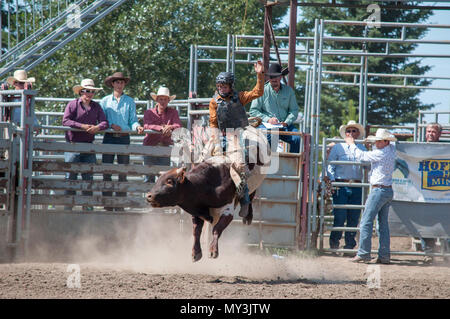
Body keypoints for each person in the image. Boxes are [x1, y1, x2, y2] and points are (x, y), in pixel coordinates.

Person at [209, 60, 264, 218]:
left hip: (237, 134)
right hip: (220, 135)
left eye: (224, 86)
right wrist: (216, 143)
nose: (221, 89)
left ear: (230, 86)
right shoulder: (214, 102)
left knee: (239, 165)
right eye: (219, 86)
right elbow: (213, 123)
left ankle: (245, 199)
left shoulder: (239, 97)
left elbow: (257, 92)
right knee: (202, 156)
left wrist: (260, 75)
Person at [348, 128, 397, 264]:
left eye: (378, 141)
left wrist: (352, 144)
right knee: (382, 224)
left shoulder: (380, 153)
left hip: (378, 190)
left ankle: (363, 253)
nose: (376, 143)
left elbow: (361, 156)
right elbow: (392, 142)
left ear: (385, 142)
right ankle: (384, 255)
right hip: (387, 190)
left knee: (366, 221)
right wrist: (371, 141)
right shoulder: (391, 149)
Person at [62, 79, 108, 211]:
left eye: (92, 91)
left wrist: (97, 127)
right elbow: (65, 121)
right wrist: (82, 126)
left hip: (88, 145)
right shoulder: (72, 105)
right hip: (73, 145)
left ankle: (87, 206)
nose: (90, 93)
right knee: (71, 176)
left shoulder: (96, 106)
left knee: (88, 177)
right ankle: (68, 206)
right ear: (81, 91)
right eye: (87, 91)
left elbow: (104, 122)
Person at [100, 72, 144, 211]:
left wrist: (137, 126)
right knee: (107, 171)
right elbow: (101, 120)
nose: (119, 84)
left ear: (124, 84)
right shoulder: (104, 101)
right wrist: (111, 125)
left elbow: (133, 120)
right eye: (117, 82)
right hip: (109, 137)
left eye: (122, 82)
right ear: (112, 84)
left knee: (122, 172)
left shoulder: (130, 101)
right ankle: (107, 203)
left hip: (124, 137)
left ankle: (120, 204)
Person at [325, 121, 367, 254]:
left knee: (353, 216)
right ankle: (334, 242)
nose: (351, 133)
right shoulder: (338, 147)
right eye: (349, 131)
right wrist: (331, 181)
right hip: (341, 184)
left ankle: (349, 245)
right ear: (345, 134)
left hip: (356, 185)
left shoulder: (362, 148)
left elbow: (367, 165)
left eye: (354, 131)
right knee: (340, 216)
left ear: (358, 134)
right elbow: (330, 164)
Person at [249, 63, 300, 153]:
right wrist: (268, 120)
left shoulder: (289, 91)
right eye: (271, 77)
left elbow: (294, 110)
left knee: (297, 138)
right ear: (269, 78)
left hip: (284, 126)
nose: (274, 79)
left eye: (276, 76)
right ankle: (267, 163)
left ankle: (293, 165)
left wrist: (286, 122)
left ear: (280, 77)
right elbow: (253, 111)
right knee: (270, 136)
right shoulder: (262, 91)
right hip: (266, 126)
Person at [143, 87, 182, 183]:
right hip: (150, 147)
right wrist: (161, 128)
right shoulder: (149, 112)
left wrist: (170, 127)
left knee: (164, 177)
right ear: (157, 100)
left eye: (165, 99)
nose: (163, 101)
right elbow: (147, 125)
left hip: (164, 147)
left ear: (168, 100)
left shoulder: (173, 112)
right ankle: (149, 197)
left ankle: (158, 197)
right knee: (149, 177)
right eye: (161, 99)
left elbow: (178, 125)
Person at [420, 122, 444, 263]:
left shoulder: (445, 149)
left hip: (443, 194)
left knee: (445, 224)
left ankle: (446, 254)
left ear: (439, 134)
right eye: (428, 131)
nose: (430, 134)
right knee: (426, 224)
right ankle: (429, 253)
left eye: (433, 132)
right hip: (425, 193)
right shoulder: (418, 148)